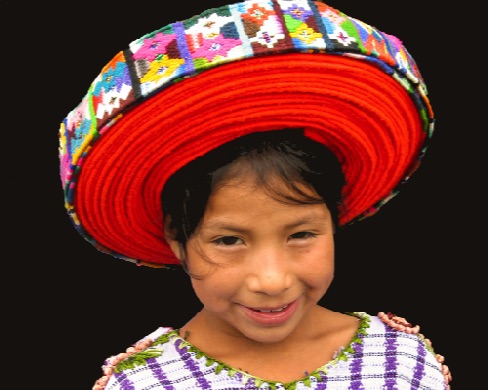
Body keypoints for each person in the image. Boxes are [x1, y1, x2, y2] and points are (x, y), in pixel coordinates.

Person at [58, 0, 452, 388]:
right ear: (178, 239)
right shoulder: (144, 382)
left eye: (301, 235)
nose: (271, 280)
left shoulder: (402, 363)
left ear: (335, 222)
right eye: (229, 240)